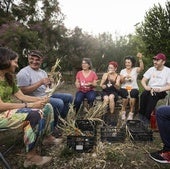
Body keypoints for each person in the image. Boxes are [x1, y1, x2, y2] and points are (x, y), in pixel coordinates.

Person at [0, 47, 62, 167]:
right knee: (33, 114)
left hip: (8, 112)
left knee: (48, 106)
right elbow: (1, 105)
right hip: (1, 114)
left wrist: (40, 99)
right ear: (5, 60)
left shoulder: (8, 77)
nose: (17, 65)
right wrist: (30, 105)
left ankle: (47, 137)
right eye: (15, 62)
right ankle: (31, 157)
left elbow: (22, 96)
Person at [16, 50, 73, 135]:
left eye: (37, 60)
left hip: (45, 95)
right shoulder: (23, 73)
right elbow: (23, 91)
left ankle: (60, 122)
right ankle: (51, 128)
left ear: (41, 60)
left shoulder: (42, 72)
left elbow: (47, 88)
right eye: (32, 59)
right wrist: (40, 82)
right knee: (59, 103)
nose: (34, 61)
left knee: (69, 97)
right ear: (28, 59)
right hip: (33, 99)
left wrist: (50, 84)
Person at [139, 53, 170, 126]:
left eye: (157, 60)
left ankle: (146, 119)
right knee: (143, 95)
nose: (155, 62)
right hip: (150, 89)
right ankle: (141, 117)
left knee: (152, 96)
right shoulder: (151, 69)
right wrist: (146, 87)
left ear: (163, 62)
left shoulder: (168, 71)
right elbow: (143, 80)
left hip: (161, 91)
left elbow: (169, 86)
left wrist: (159, 89)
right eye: (154, 60)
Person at [119, 53, 144, 120]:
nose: (127, 64)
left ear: (132, 63)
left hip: (134, 87)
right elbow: (121, 81)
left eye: (129, 62)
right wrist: (124, 77)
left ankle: (131, 113)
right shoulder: (122, 71)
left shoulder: (135, 69)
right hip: (124, 87)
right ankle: (123, 111)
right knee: (125, 96)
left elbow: (142, 68)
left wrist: (140, 59)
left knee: (133, 95)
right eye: (126, 62)